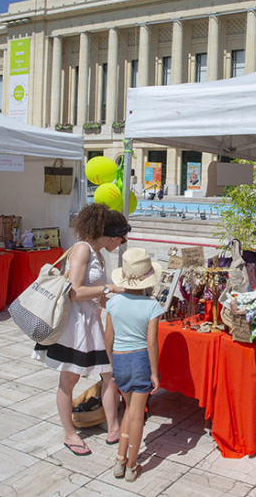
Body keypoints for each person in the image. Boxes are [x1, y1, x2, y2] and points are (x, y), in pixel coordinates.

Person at [32, 203, 130, 457]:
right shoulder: (82, 250)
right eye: (121, 237)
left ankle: (114, 428)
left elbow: (94, 292)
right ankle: (69, 433)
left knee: (109, 375)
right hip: (74, 326)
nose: (121, 243)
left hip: (90, 322)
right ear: (110, 236)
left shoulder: (98, 253)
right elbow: (74, 292)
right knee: (69, 379)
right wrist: (109, 289)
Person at [105, 247, 164, 482]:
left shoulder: (113, 303)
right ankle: (131, 465)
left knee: (129, 410)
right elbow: (152, 343)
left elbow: (108, 337)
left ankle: (120, 459)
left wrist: (112, 361)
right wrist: (155, 372)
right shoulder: (152, 306)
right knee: (138, 414)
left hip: (119, 357)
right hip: (140, 358)